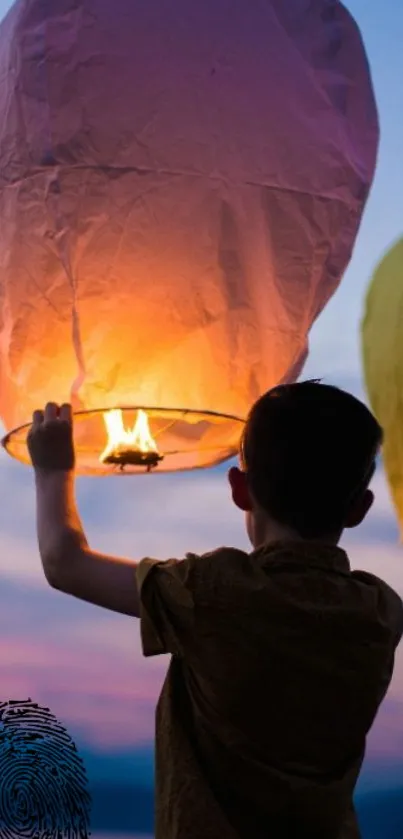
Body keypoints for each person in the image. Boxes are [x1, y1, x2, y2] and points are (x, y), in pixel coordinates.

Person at [27, 381, 403, 839]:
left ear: (240, 489)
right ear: (360, 508)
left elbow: (64, 563)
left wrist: (52, 470)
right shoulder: (381, 612)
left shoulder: (213, 592)